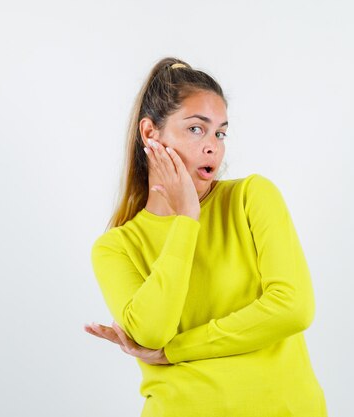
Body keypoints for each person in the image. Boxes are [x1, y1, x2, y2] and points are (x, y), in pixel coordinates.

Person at [84, 57, 327, 417]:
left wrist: (176, 350)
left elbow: (293, 308)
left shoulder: (252, 198)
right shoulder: (116, 247)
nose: (213, 145)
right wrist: (186, 220)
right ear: (150, 133)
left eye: (220, 132)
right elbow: (151, 333)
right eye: (196, 129)